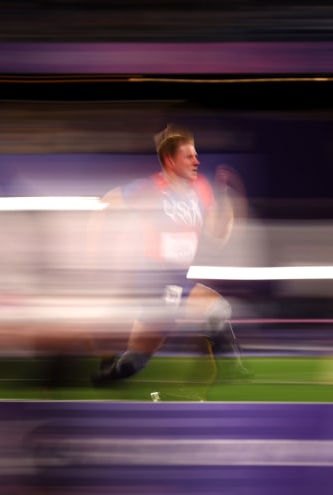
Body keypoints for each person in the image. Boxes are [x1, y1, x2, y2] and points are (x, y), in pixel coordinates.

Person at [88, 123, 250, 385]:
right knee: (218, 308)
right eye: (189, 156)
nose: (197, 161)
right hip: (157, 279)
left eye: (196, 154)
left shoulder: (202, 190)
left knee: (136, 360)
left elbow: (217, 235)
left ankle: (106, 377)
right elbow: (106, 204)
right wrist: (94, 252)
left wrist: (229, 201)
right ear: (170, 160)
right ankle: (233, 373)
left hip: (177, 279)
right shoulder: (151, 189)